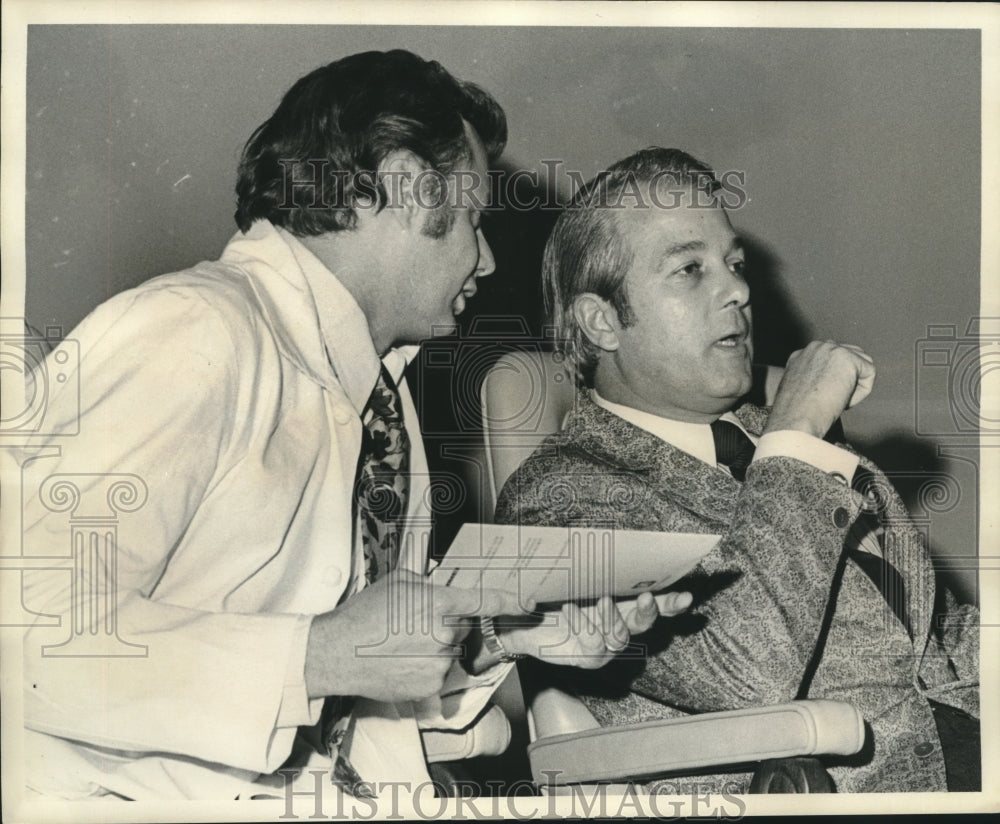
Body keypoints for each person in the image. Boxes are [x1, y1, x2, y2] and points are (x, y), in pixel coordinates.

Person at [16, 52, 688, 801]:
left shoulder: (380, 397)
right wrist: (318, 656)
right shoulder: (192, 329)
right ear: (403, 185)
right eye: (471, 219)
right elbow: (24, 638)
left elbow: (346, 704)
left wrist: (493, 641)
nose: (488, 258)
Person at [494, 147, 980, 793]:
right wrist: (797, 437)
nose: (740, 291)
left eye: (735, 264)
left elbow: (942, 640)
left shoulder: (782, 447)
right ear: (602, 321)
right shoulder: (563, 496)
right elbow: (748, 673)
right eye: (690, 269)